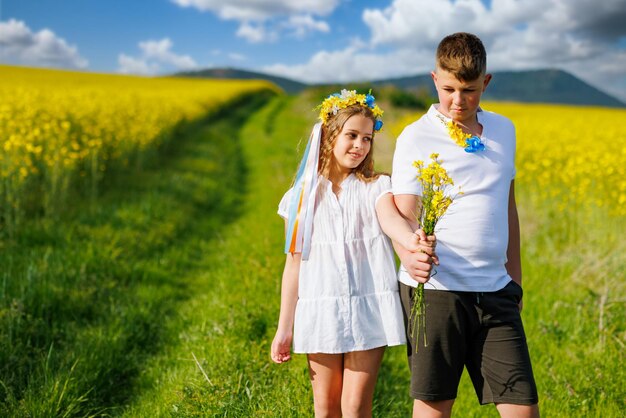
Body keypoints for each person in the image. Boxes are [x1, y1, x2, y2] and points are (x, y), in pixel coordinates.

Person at [390, 32, 540, 417]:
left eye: (470, 90)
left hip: (496, 291)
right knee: (435, 406)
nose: (458, 101)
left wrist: (515, 278)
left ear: (486, 83)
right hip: (438, 291)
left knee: (523, 408)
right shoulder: (415, 137)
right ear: (434, 79)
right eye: (450, 88)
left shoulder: (505, 131)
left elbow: (507, 206)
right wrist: (409, 256)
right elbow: (404, 215)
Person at [270, 89, 435, 417]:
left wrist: (414, 239)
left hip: (368, 308)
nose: (360, 145)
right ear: (330, 135)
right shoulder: (301, 199)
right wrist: (284, 327)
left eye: (367, 138)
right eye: (352, 135)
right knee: (326, 408)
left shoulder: (377, 187)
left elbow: (392, 221)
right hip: (320, 309)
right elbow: (293, 266)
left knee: (356, 407)